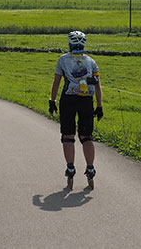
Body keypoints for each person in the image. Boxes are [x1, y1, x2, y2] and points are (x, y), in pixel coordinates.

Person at [48, 31, 103, 188]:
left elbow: (57, 82)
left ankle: (70, 168)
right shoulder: (91, 62)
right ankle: (90, 168)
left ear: (70, 44)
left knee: (68, 135)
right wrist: (99, 107)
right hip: (86, 100)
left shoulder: (63, 60)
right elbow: (98, 86)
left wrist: (52, 101)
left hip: (68, 100)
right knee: (87, 136)